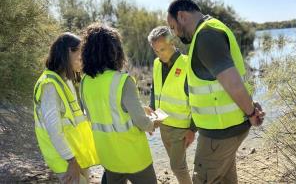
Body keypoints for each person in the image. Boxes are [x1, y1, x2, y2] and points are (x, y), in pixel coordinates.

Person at [166, 0, 265, 184]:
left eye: (172, 27)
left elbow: (233, 83)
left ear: (181, 16)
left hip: (219, 133)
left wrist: (251, 112)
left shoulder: (206, 36)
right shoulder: (213, 28)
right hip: (229, 127)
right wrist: (250, 108)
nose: (174, 33)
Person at [80, 23, 159, 184]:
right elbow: (141, 122)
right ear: (115, 51)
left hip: (108, 155)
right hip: (134, 156)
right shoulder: (123, 81)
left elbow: (96, 113)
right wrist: (153, 123)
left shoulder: (85, 82)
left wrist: (138, 107)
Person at [33, 32, 98, 184]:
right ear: (69, 51)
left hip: (74, 153)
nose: (82, 62)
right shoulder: (49, 85)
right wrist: (71, 161)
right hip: (64, 158)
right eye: (80, 57)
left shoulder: (65, 79)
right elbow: (54, 130)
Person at [146, 26, 195, 184]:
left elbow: (198, 100)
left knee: (177, 166)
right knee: (179, 165)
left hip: (181, 127)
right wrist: (153, 113)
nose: (160, 55)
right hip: (163, 124)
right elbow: (155, 90)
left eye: (163, 49)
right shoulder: (156, 64)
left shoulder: (188, 64)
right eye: (156, 51)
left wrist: (193, 129)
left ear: (172, 42)